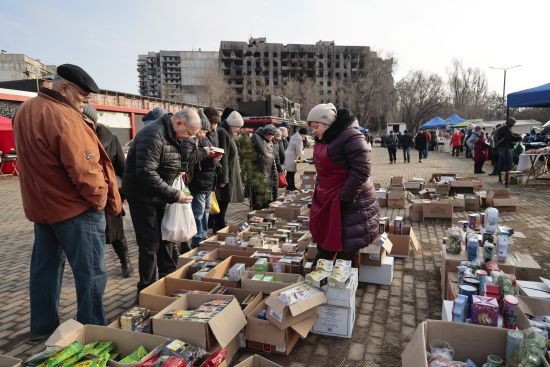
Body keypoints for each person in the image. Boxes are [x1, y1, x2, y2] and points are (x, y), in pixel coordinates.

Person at [13, 64, 122, 340]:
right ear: (64, 88)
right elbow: (85, 169)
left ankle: (42, 328)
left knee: (44, 271)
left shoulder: (25, 110)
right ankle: (91, 328)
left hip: (42, 206)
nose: (84, 103)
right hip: (75, 208)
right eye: (82, 97)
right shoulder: (65, 116)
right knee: (92, 273)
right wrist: (99, 200)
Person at [123, 107, 215, 292]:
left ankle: (168, 282)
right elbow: (146, 173)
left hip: (160, 195)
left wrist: (179, 169)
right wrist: (175, 195)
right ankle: (146, 290)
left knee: (167, 238)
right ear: (179, 123)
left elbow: (172, 158)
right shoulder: (153, 135)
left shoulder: (173, 134)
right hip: (143, 198)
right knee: (150, 245)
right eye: (188, 133)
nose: (189, 137)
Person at [307, 104, 379, 267]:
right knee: (325, 243)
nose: (313, 132)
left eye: (316, 127)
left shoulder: (351, 136)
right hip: (328, 200)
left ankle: (347, 287)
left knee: (347, 250)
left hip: (351, 203)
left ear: (327, 123)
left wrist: (345, 198)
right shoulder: (323, 139)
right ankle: (320, 281)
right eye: (312, 128)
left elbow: (362, 169)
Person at [83, 104, 133, 278]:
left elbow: (123, 168)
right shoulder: (76, 138)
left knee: (116, 231)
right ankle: (94, 268)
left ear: (93, 121)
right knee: (90, 236)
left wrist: (124, 194)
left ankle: (125, 261)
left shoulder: (110, 139)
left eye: (85, 119)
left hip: (110, 192)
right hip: (86, 194)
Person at [188, 109, 223, 247]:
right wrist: (208, 156)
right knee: (199, 211)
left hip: (209, 179)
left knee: (206, 209)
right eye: (212, 122)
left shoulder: (210, 135)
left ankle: (202, 234)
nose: (213, 126)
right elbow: (192, 160)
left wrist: (215, 160)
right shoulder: (194, 139)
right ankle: (198, 237)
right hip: (199, 181)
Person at [211, 109, 245, 232]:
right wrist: (223, 178)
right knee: (222, 202)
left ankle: (219, 225)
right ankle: (219, 226)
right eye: (238, 127)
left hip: (228, 175)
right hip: (226, 176)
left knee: (224, 202)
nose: (239, 130)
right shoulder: (223, 133)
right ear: (232, 124)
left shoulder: (226, 133)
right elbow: (223, 158)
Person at [251, 124, 280, 209]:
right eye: (272, 135)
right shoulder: (256, 138)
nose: (273, 138)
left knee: (265, 202)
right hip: (259, 176)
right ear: (268, 134)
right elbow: (264, 153)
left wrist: (275, 178)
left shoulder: (270, 142)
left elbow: (272, 160)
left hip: (267, 175)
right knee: (258, 203)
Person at [491, 118, 522, 183]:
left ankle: (502, 178)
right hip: (505, 147)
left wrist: (516, 135)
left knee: (502, 163)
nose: (513, 125)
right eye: (513, 124)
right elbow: (509, 138)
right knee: (507, 163)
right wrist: (520, 137)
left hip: (502, 147)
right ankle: (505, 179)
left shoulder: (502, 127)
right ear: (510, 123)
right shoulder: (505, 128)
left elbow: (508, 136)